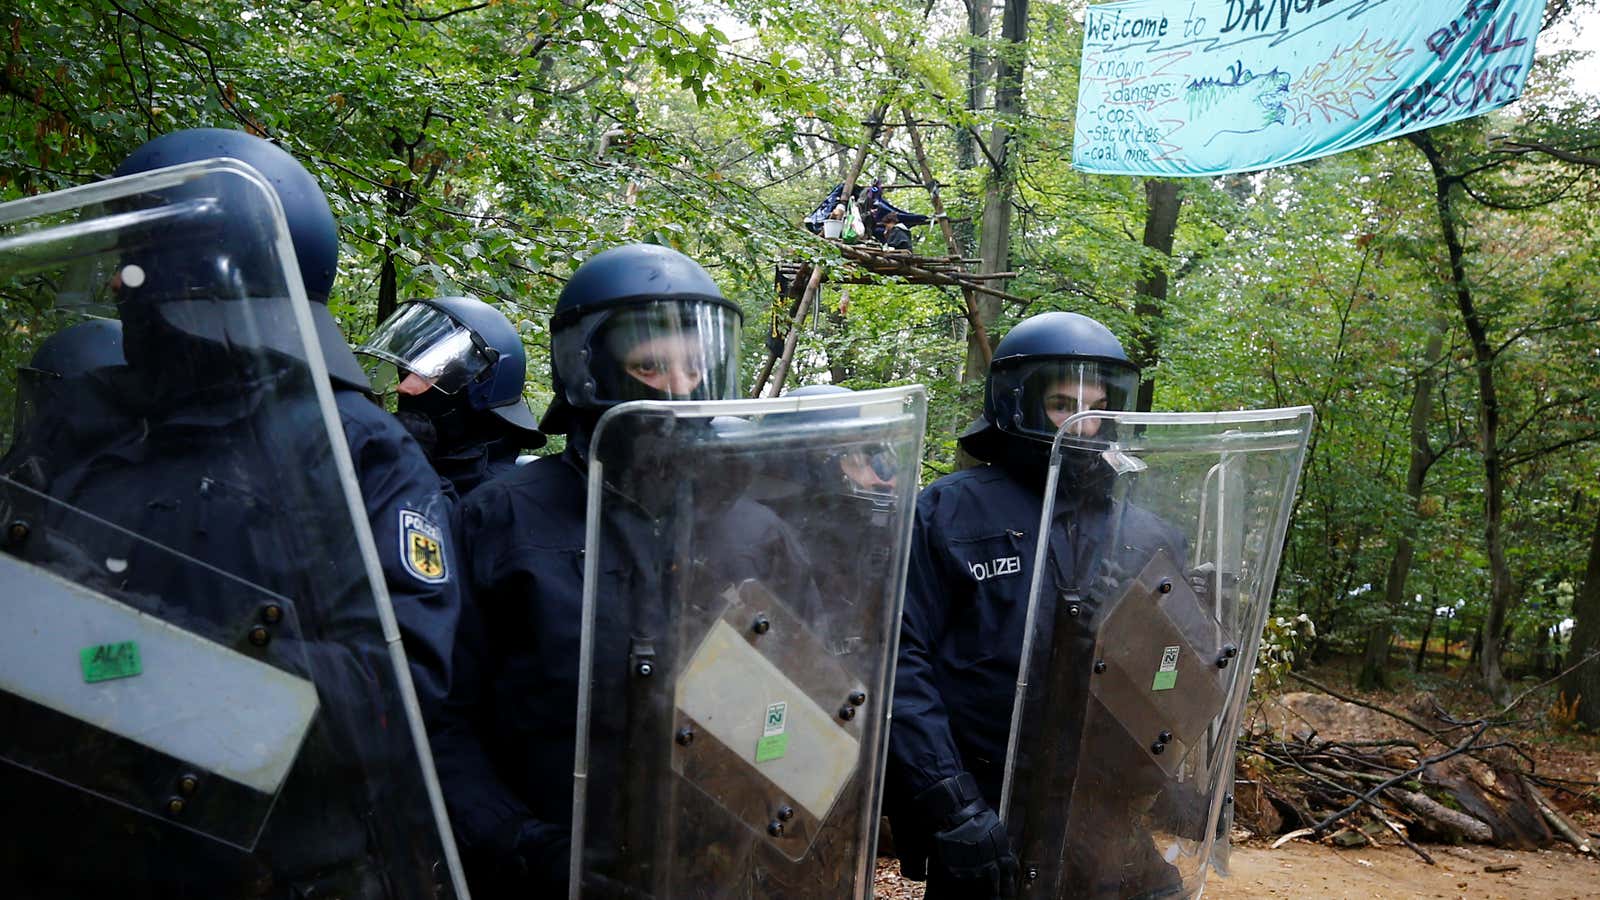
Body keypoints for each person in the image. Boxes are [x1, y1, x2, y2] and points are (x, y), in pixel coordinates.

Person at [0, 129, 466, 897]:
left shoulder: (353, 450)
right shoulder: (83, 420)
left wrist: (120, 642)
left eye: (133, 255)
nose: (117, 284)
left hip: (257, 865)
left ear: (195, 270)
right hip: (58, 837)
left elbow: (390, 698)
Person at [432, 243, 837, 897]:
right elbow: (441, 717)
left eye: (696, 365)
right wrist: (524, 847)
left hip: (710, 872)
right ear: (588, 371)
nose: (681, 386)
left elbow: (806, 709)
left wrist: (763, 829)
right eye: (650, 366)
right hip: (540, 874)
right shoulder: (502, 520)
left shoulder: (758, 533)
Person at [885, 311, 1185, 900]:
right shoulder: (950, 513)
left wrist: (1178, 775)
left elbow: (1177, 674)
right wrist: (951, 806)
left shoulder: (1148, 534)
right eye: (1062, 405)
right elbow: (899, 662)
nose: (1083, 424)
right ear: (1018, 402)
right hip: (985, 815)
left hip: (1100, 817)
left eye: (1097, 407)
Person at [356, 296, 544, 499]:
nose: (403, 388)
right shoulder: (390, 461)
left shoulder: (504, 503)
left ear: (481, 388)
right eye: (405, 370)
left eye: (431, 372)